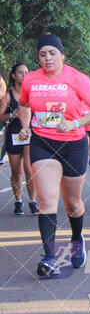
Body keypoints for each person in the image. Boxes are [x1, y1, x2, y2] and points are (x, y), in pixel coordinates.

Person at [18, 33, 90, 277]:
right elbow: (24, 106)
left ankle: (77, 239)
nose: (47, 58)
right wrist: (26, 125)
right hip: (42, 143)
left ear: (62, 55)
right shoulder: (31, 80)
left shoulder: (77, 78)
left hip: (73, 144)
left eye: (52, 53)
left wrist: (75, 122)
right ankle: (49, 257)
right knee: (47, 200)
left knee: (73, 204)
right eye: (42, 54)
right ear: (38, 57)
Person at [0, 63, 38, 215]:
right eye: (20, 72)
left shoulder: (33, 93)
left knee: (30, 169)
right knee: (17, 172)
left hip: (29, 134)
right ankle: (18, 201)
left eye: (26, 72)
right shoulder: (8, 96)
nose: (24, 75)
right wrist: (11, 114)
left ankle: (32, 201)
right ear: (13, 76)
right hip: (13, 135)